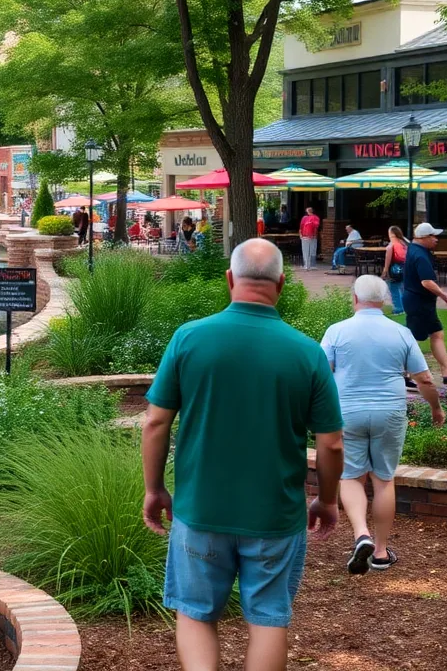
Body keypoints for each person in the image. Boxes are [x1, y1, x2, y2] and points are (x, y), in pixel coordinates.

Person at [142, 239, 344, 670]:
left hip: (200, 511)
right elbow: (331, 443)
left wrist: (155, 488)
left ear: (230, 279)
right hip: (275, 515)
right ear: (282, 284)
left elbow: (156, 422)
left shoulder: (189, 338)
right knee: (269, 617)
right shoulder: (307, 352)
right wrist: (327, 500)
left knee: (196, 615)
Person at [321, 276, 445, 574]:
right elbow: (425, 378)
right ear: (385, 300)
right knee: (383, 479)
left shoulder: (336, 332)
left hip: (347, 412)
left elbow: (321, 374)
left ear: (354, 298)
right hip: (389, 412)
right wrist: (436, 408)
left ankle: (360, 533)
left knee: (350, 476)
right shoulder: (401, 333)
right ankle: (379, 552)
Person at [403, 223, 447, 385]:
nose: (436, 239)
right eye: (433, 236)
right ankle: (403, 374)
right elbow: (426, 282)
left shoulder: (414, 249)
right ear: (424, 238)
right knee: (413, 339)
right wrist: (444, 295)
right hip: (419, 303)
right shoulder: (420, 256)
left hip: (420, 302)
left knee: (437, 334)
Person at [381, 226, 408, 315]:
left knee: (394, 288)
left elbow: (388, 259)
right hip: (406, 268)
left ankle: (398, 308)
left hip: (395, 269)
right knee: (403, 288)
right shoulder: (405, 242)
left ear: (391, 233)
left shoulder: (392, 244)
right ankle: (406, 307)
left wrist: (385, 271)